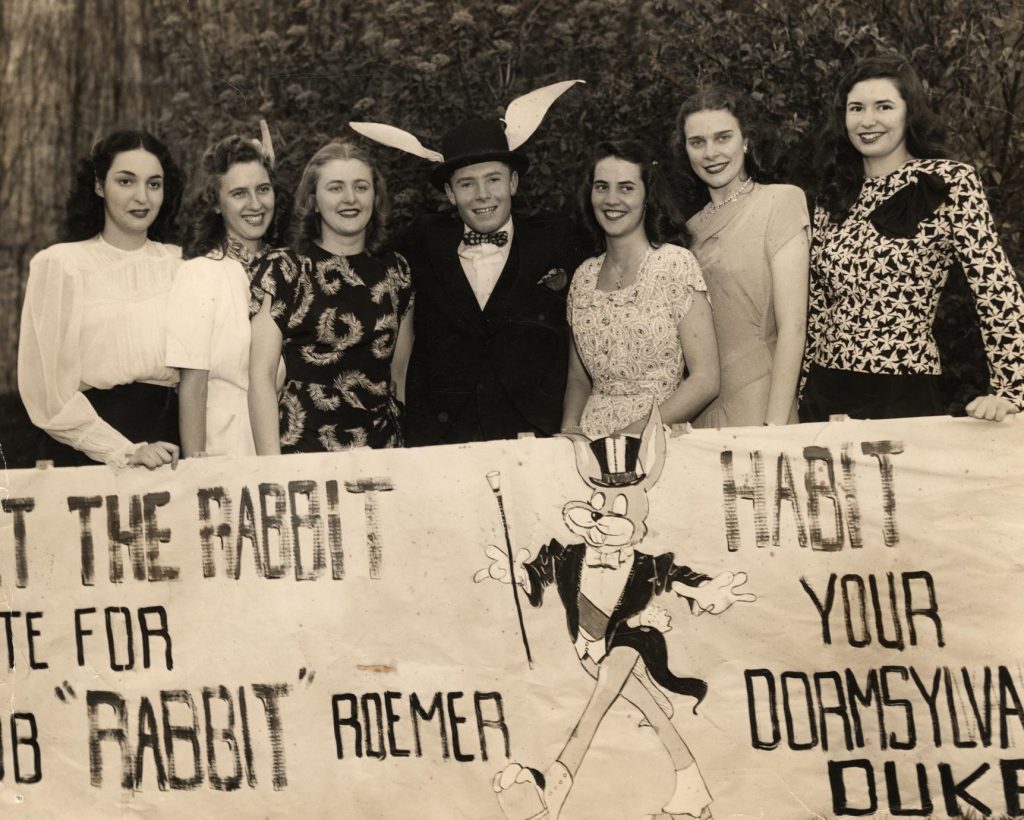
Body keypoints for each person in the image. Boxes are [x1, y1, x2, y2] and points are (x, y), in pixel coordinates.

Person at [350, 80, 588, 445]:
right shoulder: (420, 240)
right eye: (466, 184)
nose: (481, 196)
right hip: (443, 436)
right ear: (449, 193)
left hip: (537, 433)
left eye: (493, 179)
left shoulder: (558, 238)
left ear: (513, 182)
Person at [803, 55, 1024, 422]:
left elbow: (995, 287)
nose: (867, 120)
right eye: (856, 108)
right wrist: (800, 389)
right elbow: (819, 308)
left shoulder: (949, 181)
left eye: (884, 106)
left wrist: (1012, 389)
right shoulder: (833, 194)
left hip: (902, 390)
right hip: (824, 391)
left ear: (910, 113)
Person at [18, 129, 185, 469]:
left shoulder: (181, 264)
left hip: (168, 451)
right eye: (126, 182)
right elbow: (47, 395)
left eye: (154, 184)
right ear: (98, 186)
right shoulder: (61, 264)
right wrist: (125, 451)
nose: (142, 197)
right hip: (85, 455)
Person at [248, 140, 413, 453]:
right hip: (303, 449)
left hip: (383, 449)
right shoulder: (283, 268)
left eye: (361, 187)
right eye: (335, 188)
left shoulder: (396, 270)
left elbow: (399, 374)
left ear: (375, 196)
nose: (350, 199)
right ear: (313, 200)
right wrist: (270, 470)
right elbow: (261, 377)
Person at [561, 140, 719, 438]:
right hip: (590, 442)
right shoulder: (583, 276)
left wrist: (634, 434)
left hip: (657, 437)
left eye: (626, 188)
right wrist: (571, 433)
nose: (611, 199)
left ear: (647, 197)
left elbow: (706, 379)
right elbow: (578, 378)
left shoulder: (675, 265)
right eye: (601, 187)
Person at [676, 86, 809, 428]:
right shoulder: (688, 230)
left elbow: (793, 327)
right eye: (698, 142)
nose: (711, 153)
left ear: (746, 141)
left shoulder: (781, 202)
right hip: (700, 411)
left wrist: (775, 428)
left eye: (723, 138)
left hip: (762, 402)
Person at [166, 133, 284, 458]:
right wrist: (197, 465)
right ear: (216, 203)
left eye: (263, 189)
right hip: (227, 445)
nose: (256, 205)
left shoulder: (288, 269)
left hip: (287, 442)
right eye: (238, 194)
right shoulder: (201, 274)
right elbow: (193, 385)